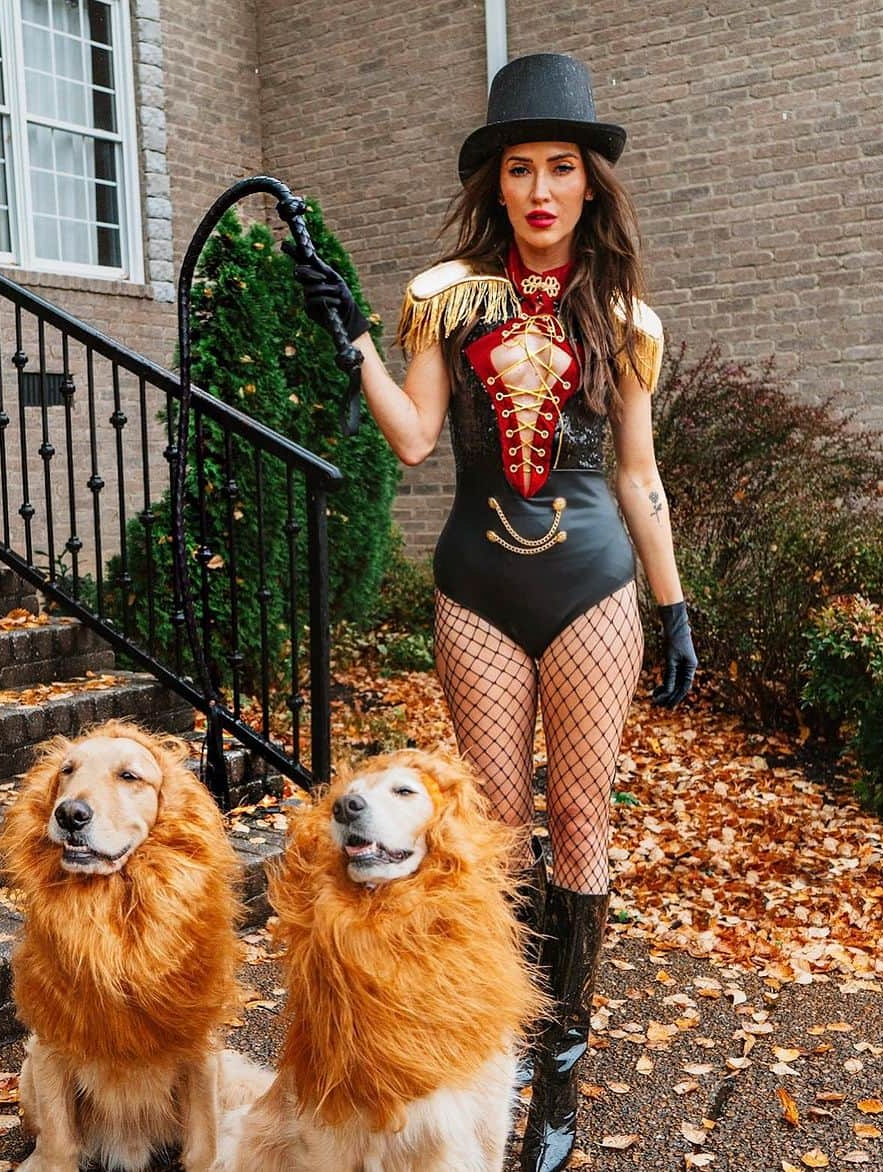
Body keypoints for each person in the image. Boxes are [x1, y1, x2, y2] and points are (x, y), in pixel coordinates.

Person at [290, 52, 697, 1172]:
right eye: (520, 168)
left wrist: (675, 600)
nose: (540, 189)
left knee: (582, 821)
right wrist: (357, 343)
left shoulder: (626, 316)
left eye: (561, 167)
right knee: (494, 832)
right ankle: (498, 1042)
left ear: (589, 183)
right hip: (477, 581)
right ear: (498, 182)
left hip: (593, 583)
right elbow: (416, 440)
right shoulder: (443, 296)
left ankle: (560, 1061)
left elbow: (637, 474)